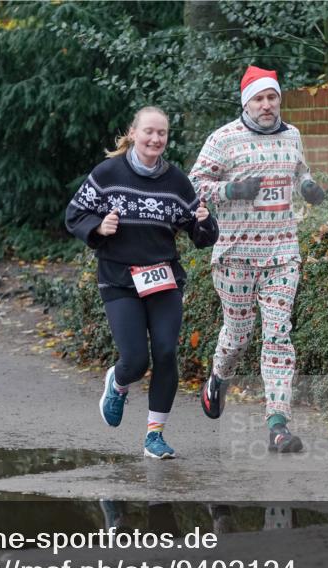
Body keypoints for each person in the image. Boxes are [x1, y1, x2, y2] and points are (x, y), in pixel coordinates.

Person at [66, 107, 218, 460]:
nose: (155, 139)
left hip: (163, 278)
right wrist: (99, 227)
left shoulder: (176, 181)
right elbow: (74, 214)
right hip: (119, 279)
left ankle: (155, 435)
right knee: (135, 360)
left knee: (165, 352)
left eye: (162, 133)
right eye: (149, 131)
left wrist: (205, 222)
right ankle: (118, 384)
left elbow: (200, 234)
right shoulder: (108, 173)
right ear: (133, 133)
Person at [190, 65, 326, 453]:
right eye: (259, 99)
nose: (267, 105)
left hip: (282, 251)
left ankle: (278, 425)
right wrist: (232, 188)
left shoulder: (292, 136)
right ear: (246, 102)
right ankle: (218, 378)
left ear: (279, 100)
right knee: (238, 334)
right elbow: (194, 186)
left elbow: (299, 170)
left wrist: (308, 187)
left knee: (278, 334)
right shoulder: (223, 139)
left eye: (272, 97)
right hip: (236, 254)